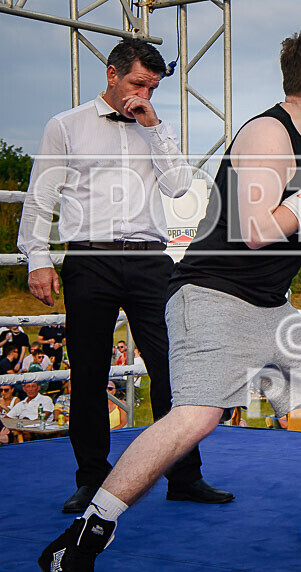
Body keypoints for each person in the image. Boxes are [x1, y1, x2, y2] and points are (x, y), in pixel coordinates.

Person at [39, 32, 301, 568]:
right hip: (213, 295)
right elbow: (257, 229)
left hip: (269, 302)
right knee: (195, 416)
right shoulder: (266, 133)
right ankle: (86, 533)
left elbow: (299, 214)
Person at [19, 38, 231, 516]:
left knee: (172, 369)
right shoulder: (65, 125)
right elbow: (40, 196)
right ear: (112, 74)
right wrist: (38, 258)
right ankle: (92, 479)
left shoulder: (157, 127)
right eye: (139, 83)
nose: (145, 93)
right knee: (89, 373)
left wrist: (154, 128)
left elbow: (180, 187)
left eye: (153, 87)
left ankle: (184, 475)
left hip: (150, 258)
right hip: (87, 260)